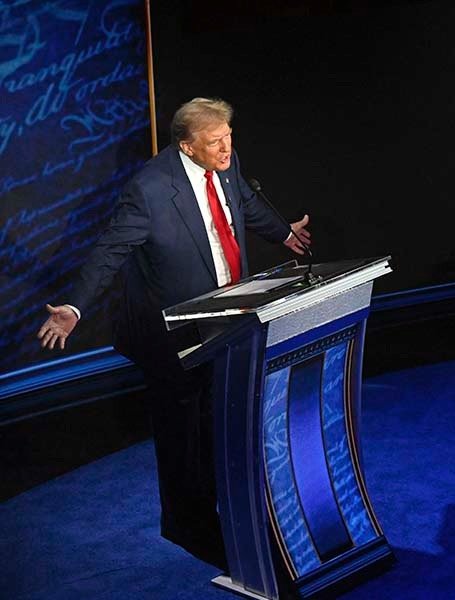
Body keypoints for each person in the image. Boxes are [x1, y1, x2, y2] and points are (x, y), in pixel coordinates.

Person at [35, 97, 311, 569]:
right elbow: (109, 251)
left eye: (229, 138)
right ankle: (188, 526)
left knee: (218, 422)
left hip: (228, 317)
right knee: (183, 433)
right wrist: (75, 308)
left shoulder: (225, 160)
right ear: (187, 145)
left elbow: (242, 198)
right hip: (172, 332)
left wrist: (283, 233)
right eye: (214, 143)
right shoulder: (149, 189)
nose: (226, 149)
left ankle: (228, 511)